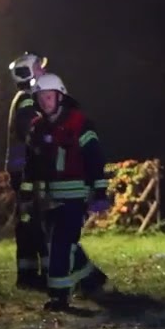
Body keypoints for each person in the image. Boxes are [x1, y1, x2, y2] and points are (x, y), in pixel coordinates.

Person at [18, 73, 111, 311]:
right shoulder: (37, 127)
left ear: (60, 96)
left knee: (61, 244)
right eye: (41, 98)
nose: (45, 102)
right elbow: (31, 163)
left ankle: (59, 296)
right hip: (49, 198)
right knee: (63, 244)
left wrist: (100, 192)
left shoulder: (80, 124)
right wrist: (27, 193)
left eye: (49, 97)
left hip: (75, 197)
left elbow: (94, 158)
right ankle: (92, 280)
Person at [6, 52, 50, 291]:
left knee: (27, 222)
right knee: (37, 222)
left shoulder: (24, 98)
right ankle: (44, 273)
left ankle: (29, 274)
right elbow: (32, 132)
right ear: (28, 73)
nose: (43, 71)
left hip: (22, 169)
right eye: (38, 68)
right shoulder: (27, 100)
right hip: (27, 171)